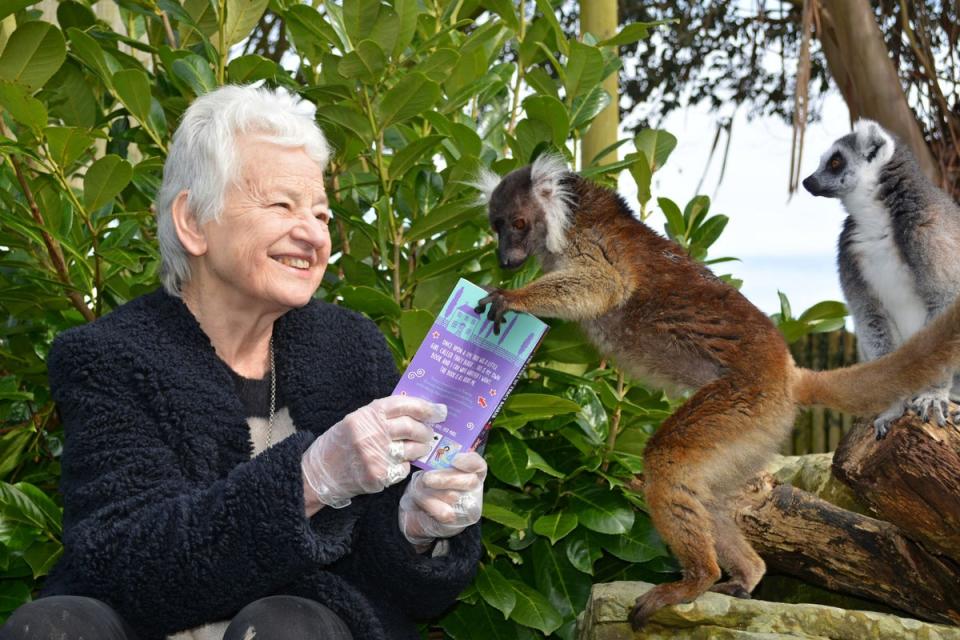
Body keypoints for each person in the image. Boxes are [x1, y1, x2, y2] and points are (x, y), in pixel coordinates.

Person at [0, 85, 485, 640]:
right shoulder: (109, 356)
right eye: (282, 205)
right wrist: (311, 477)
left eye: (322, 214)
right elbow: (122, 562)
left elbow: (399, 589)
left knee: (284, 626)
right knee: (50, 627)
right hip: (153, 624)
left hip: (299, 626)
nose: (313, 234)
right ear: (193, 222)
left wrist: (416, 527)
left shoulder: (351, 348)